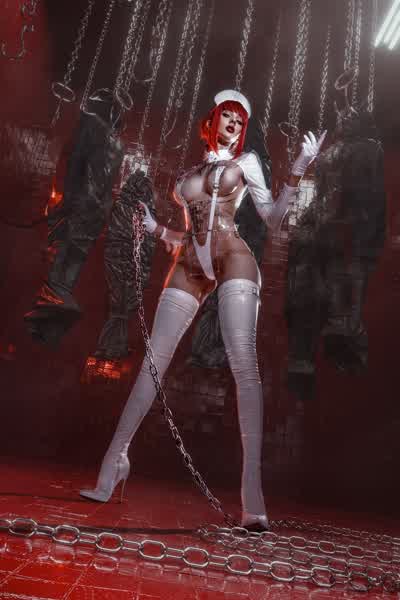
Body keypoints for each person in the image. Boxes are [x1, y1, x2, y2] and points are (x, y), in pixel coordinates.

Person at [80, 89, 326, 530]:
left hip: (235, 258)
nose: (234, 123)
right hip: (190, 264)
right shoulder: (188, 174)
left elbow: (272, 219)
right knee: (152, 364)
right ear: (212, 120)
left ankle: (252, 496)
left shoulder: (246, 163)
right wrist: (156, 229)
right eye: (228, 115)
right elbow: (190, 235)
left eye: (240, 120)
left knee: (244, 366)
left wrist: (299, 168)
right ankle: (113, 462)